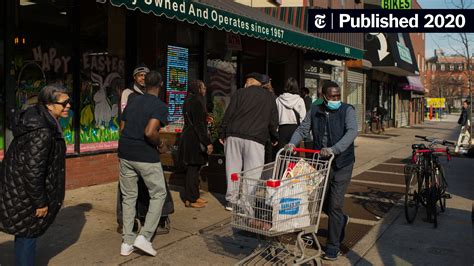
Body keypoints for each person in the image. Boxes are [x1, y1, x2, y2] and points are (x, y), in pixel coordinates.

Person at [285, 81, 358, 261]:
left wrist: (334, 149)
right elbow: (303, 129)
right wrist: (291, 143)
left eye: (338, 96)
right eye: (332, 96)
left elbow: (352, 132)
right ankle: (340, 220)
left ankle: (333, 246)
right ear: (323, 96)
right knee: (320, 200)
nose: (336, 99)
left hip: (341, 162)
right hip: (321, 163)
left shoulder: (347, 110)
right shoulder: (315, 111)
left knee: (335, 204)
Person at [0, 84, 70, 265]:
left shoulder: (39, 120)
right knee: (27, 235)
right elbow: (33, 171)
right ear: (49, 105)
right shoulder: (43, 131)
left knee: (24, 233)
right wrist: (40, 202)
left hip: (18, 188)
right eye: (64, 103)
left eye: (69, 102)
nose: (68, 106)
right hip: (25, 192)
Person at [116, 64, 172, 235]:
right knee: (153, 191)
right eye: (139, 75)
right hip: (141, 151)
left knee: (135, 192)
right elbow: (146, 131)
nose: (141, 78)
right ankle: (140, 232)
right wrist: (160, 144)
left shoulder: (140, 99)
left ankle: (130, 236)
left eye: (144, 76)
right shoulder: (130, 95)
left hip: (130, 150)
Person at [219, 72, 278, 211]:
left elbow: (229, 113)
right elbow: (272, 120)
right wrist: (274, 136)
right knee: (252, 173)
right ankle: (246, 203)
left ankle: (231, 201)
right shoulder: (269, 97)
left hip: (234, 135)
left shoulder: (240, 93)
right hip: (255, 138)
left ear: (249, 81)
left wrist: (222, 133)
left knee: (232, 169)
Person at [178, 80, 213, 208]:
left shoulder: (188, 100)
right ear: (197, 88)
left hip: (188, 137)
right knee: (194, 169)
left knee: (193, 169)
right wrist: (207, 142)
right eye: (203, 87)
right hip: (195, 139)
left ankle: (193, 196)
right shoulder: (197, 102)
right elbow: (199, 126)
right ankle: (191, 199)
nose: (205, 90)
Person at [276, 77, 306, 152]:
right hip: (295, 129)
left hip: (282, 128)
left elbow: (275, 116)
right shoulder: (300, 100)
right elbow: (303, 117)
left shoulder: (278, 99)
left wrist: (276, 130)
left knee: (282, 154)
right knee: (294, 155)